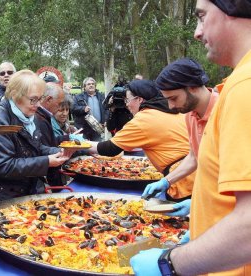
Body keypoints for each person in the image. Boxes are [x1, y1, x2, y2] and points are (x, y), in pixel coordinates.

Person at [130, 1, 251, 275]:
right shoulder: (237, 83)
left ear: (232, 9)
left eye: (201, 16)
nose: (197, 32)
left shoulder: (245, 87)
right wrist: (198, 209)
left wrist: (170, 263)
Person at [0, 70, 71, 211]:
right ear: (15, 95)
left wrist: (59, 151)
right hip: (1, 198)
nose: (38, 105)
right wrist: (47, 161)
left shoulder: (28, 115)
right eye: (33, 99)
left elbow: (34, 147)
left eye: (40, 99)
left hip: (22, 192)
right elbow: (4, 166)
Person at [88, 80, 194, 201]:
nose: (126, 105)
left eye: (127, 100)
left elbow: (109, 149)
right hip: (200, 175)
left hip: (184, 183)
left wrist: (78, 144)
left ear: (139, 99)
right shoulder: (171, 109)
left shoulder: (144, 119)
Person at [142, 57, 219, 218]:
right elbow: (194, 157)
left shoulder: (224, 111)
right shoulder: (190, 115)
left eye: (174, 98)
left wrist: (199, 202)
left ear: (192, 87)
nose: (171, 106)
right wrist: (167, 181)